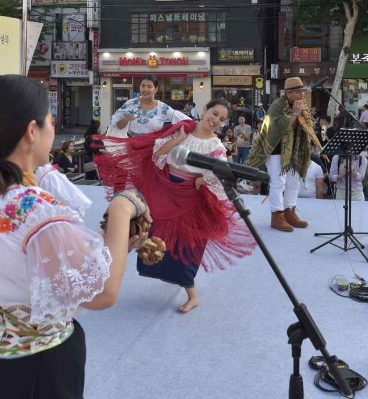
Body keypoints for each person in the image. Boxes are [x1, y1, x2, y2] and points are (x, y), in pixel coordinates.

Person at [0, 75, 149, 397]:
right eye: (50, 123)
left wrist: (116, 246)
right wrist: (123, 208)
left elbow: (42, 265)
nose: (53, 130)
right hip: (38, 366)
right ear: (32, 131)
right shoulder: (35, 207)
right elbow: (101, 294)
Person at [97, 100, 255, 314]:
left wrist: (202, 180)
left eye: (221, 119)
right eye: (214, 113)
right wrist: (179, 139)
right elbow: (158, 154)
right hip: (165, 190)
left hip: (190, 199)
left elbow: (218, 174)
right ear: (204, 109)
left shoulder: (217, 146)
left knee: (189, 247)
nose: (216, 120)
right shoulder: (182, 130)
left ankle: (192, 296)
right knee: (155, 237)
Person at [245, 77, 313, 232]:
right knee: (278, 183)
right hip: (275, 150)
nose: (302, 95)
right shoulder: (276, 106)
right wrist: (295, 113)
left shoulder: (301, 105)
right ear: (288, 93)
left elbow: (306, 127)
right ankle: (277, 216)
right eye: (297, 92)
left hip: (294, 149)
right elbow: (275, 129)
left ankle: (290, 212)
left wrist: (307, 119)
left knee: (293, 182)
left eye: (302, 91)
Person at [111, 75, 189, 137]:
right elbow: (118, 126)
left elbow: (183, 120)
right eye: (143, 86)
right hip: (132, 147)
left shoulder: (162, 108)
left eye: (149, 87)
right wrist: (126, 119)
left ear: (155, 89)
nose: (145, 89)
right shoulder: (131, 104)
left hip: (154, 148)